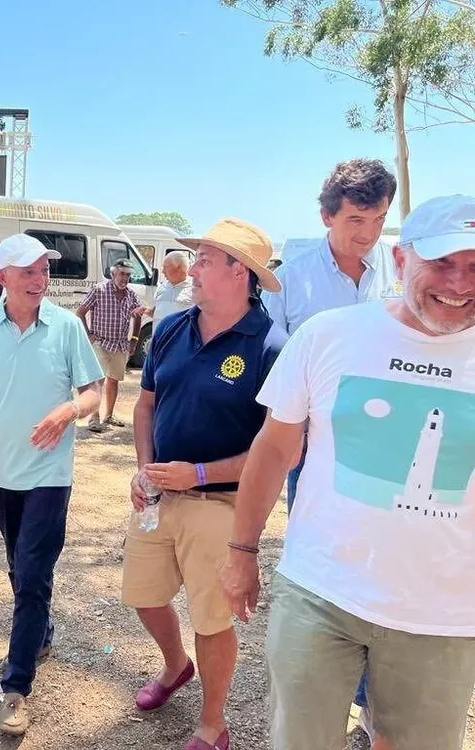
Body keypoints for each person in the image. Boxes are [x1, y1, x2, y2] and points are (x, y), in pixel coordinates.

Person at [221, 194, 475, 750]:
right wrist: (241, 554)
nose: (460, 281)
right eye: (444, 261)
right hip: (321, 591)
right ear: (403, 261)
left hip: (445, 614)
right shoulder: (330, 335)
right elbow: (273, 449)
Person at [123, 218, 287, 750]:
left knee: (212, 617)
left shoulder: (270, 347)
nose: (191, 268)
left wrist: (198, 474)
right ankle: (175, 668)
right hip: (158, 495)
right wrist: (144, 467)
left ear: (240, 272)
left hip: (221, 504)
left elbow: (277, 450)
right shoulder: (171, 327)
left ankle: (213, 726)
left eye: (205, 260)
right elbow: (145, 404)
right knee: (144, 597)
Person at [260, 158, 397, 733]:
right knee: (325, 562)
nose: (368, 234)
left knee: (383, 566)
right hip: (315, 448)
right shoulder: (294, 275)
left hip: (387, 447)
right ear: (327, 216)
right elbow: (274, 355)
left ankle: (372, 701)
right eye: (358, 219)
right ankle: (327, 687)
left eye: (380, 219)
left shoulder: (396, 265)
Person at [0, 233, 102, 735]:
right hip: (1, 472)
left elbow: (94, 393)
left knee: (33, 572)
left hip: (50, 475)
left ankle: (16, 688)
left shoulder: (65, 327)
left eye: (44, 271)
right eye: (30, 271)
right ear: (3, 278)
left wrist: (68, 410)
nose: (41, 280)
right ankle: (40, 630)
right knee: (20, 567)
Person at [75, 259, 143, 432]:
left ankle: (109, 415)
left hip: (120, 345)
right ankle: (94, 417)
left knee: (114, 380)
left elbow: (138, 315)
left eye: (128, 275)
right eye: (122, 274)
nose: (125, 278)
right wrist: (88, 334)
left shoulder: (131, 295)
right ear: (113, 274)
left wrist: (134, 339)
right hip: (101, 342)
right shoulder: (99, 290)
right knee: (98, 380)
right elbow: (80, 312)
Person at [144, 251, 194, 332]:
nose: (163, 271)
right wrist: (146, 311)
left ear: (179, 268)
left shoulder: (195, 289)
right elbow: (156, 313)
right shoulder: (161, 287)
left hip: (181, 342)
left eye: (165, 267)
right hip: (159, 340)